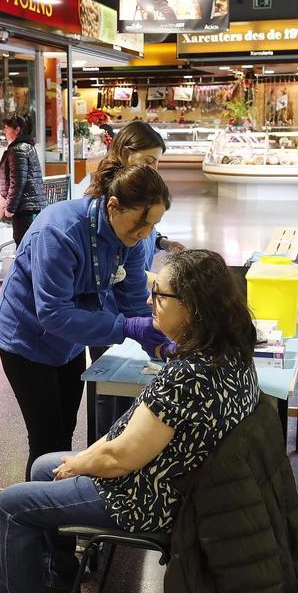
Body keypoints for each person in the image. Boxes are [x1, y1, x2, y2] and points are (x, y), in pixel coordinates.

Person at [0, 250, 260, 593]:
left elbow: (121, 458)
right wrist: (87, 456)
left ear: (192, 307)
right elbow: (133, 433)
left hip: (148, 498)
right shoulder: (229, 356)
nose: (150, 301)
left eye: (160, 294)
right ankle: (57, 576)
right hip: (180, 485)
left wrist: (82, 463)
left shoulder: (189, 375)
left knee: (13, 504)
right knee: (42, 467)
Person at [0, 164, 172, 481]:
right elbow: (53, 314)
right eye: (139, 223)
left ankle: (57, 509)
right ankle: (41, 522)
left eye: (152, 225)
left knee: (66, 429)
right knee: (47, 439)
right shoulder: (59, 231)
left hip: (70, 340)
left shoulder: (130, 238)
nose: (145, 233)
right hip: (28, 340)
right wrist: (125, 328)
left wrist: (158, 339)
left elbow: (132, 298)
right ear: (113, 205)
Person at [87, 121, 186, 439]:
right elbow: (113, 272)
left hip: (132, 302)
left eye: (158, 162)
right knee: (109, 385)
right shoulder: (105, 205)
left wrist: (161, 243)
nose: (155, 169)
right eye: (149, 161)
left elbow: (142, 241)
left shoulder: (140, 200)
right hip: (108, 309)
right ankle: (105, 443)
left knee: (131, 384)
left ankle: (119, 442)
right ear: (126, 153)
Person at [0, 113, 46, 246]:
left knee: (24, 244)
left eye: (7, 128)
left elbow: (17, 182)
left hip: (24, 207)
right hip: (29, 205)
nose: (5, 131)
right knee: (29, 243)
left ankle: (25, 267)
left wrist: (10, 207)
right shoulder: (27, 146)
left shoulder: (18, 150)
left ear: (17, 130)